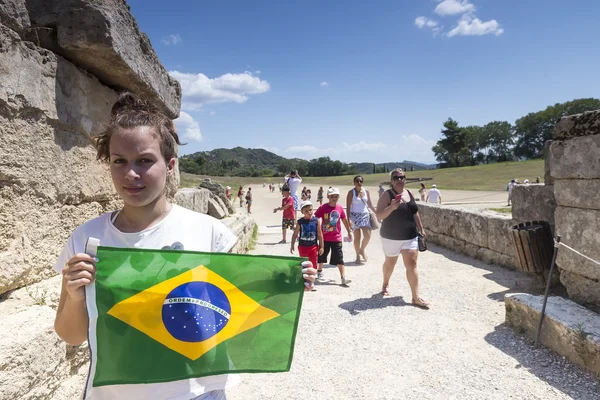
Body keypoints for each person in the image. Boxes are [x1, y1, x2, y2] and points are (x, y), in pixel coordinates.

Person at [52, 93, 317, 400]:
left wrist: (283, 281)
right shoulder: (87, 238)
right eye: (119, 161)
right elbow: (69, 334)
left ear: (171, 165)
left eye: (145, 161)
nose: (131, 174)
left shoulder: (208, 232)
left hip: (196, 392)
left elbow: (236, 302)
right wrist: (74, 295)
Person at [376, 168, 429, 308]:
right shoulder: (387, 195)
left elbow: (415, 213)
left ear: (405, 179)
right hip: (390, 237)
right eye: (396, 178)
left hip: (409, 236)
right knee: (390, 263)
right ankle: (385, 283)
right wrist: (391, 208)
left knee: (412, 264)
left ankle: (415, 297)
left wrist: (421, 229)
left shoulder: (409, 193)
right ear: (392, 181)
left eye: (402, 177)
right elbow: (379, 215)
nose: (399, 180)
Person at [315, 187, 352, 286]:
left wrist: (349, 232)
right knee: (322, 255)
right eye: (332, 196)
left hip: (336, 238)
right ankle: (319, 270)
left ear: (338, 197)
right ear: (328, 197)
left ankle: (343, 277)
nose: (334, 198)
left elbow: (344, 221)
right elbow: (315, 217)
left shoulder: (339, 208)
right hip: (324, 237)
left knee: (339, 257)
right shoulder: (323, 207)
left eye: (336, 196)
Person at [290, 200, 324, 286]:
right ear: (302, 212)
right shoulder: (300, 222)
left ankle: (311, 282)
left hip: (313, 247)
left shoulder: (316, 221)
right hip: (302, 247)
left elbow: (320, 235)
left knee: (312, 264)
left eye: (310, 210)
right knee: (304, 264)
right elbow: (295, 234)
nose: (309, 212)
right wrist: (292, 245)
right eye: (306, 211)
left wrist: (322, 247)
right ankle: (304, 281)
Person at [346, 175, 376, 264]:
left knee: (367, 235)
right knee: (357, 237)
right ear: (354, 182)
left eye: (361, 181)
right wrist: (348, 219)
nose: (359, 183)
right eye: (357, 181)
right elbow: (348, 207)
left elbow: (370, 204)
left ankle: (362, 250)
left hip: (365, 215)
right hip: (354, 216)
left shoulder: (366, 191)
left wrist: (377, 212)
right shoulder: (351, 192)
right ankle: (357, 255)